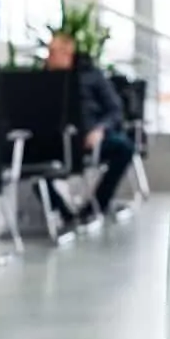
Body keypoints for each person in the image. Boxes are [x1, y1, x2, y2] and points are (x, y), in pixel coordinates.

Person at [41, 32, 135, 223]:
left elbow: (115, 110)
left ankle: (96, 206)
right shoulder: (42, 81)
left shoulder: (91, 76)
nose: (48, 57)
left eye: (53, 52)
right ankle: (65, 213)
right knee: (31, 162)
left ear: (67, 53)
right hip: (54, 142)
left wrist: (99, 130)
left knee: (124, 147)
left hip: (90, 138)